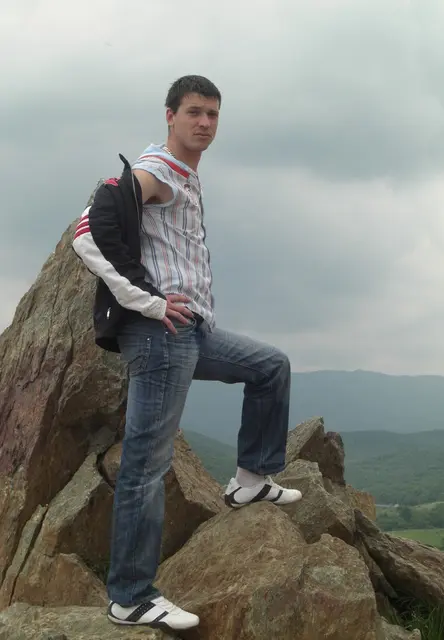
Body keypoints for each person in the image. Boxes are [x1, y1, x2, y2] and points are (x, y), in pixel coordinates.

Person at [72, 75, 302, 633]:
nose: (204, 123)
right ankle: (130, 597)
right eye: (194, 112)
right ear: (170, 115)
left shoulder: (186, 175)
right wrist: (146, 301)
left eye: (213, 114)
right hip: (160, 335)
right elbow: (86, 232)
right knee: (146, 466)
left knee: (270, 367)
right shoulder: (155, 170)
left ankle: (250, 479)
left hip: (192, 331)